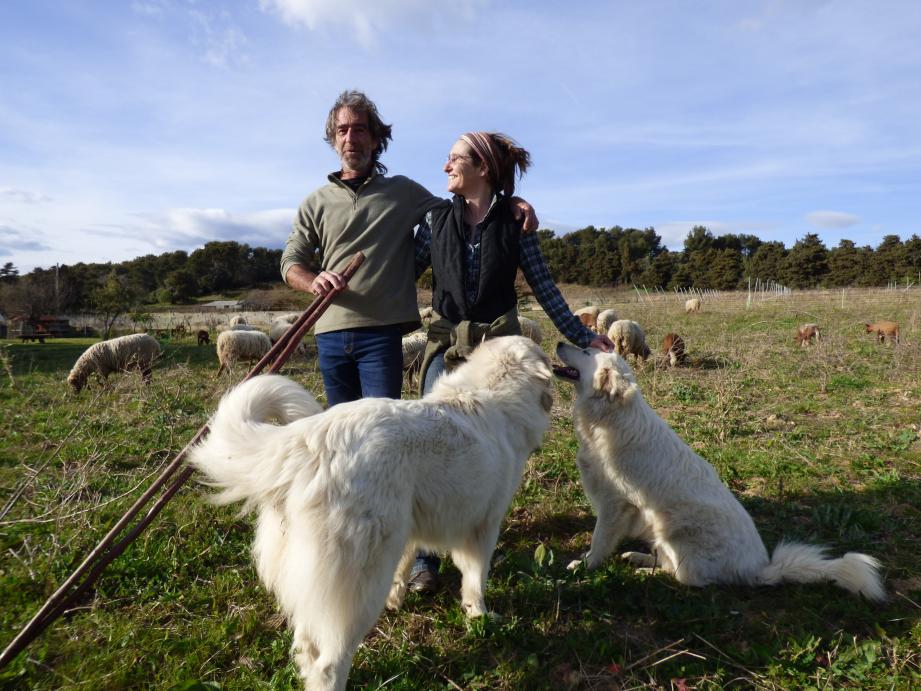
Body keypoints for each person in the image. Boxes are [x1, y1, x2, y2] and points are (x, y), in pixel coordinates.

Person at [407, 131, 615, 593]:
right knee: (429, 434)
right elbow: (400, 266)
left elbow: (544, 286)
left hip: (500, 351)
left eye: (454, 158)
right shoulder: (435, 218)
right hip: (446, 344)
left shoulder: (514, 223)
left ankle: (478, 538)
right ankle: (425, 559)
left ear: (482, 168)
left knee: (495, 446)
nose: (445, 166)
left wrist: (584, 335)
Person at [280, 90, 537, 406]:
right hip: (330, 332)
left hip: (381, 334)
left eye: (360, 129)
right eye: (342, 130)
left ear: (375, 139)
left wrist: (509, 201)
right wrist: (312, 280)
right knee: (338, 433)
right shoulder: (314, 202)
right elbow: (291, 261)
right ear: (333, 140)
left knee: (383, 431)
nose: (350, 138)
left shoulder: (403, 191)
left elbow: (465, 207)